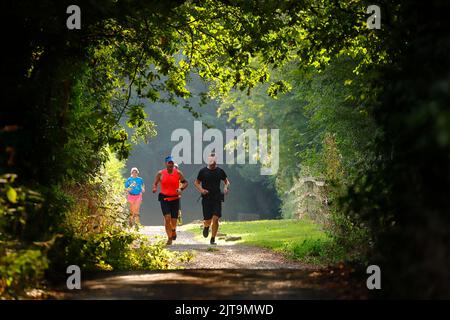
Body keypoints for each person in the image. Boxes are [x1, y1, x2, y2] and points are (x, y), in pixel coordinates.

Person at [194, 152, 230, 245]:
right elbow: (196, 183)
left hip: (217, 197)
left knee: (216, 218)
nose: (212, 162)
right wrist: (201, 190)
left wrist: (226, 187)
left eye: (213, 160)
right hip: (206, 198)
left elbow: (227, 182)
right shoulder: (203, 171)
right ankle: (206, 227)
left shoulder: (220, 171)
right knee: (208, 220)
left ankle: (213, 238)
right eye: (210, 160)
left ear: (216, 160)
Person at [152, 156, 188, 245]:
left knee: (174, 221)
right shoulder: (160, 173)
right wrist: (154, 188)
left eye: (172, 163)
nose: (171, 164)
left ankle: (173, 230)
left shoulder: (178, 173)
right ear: (166, 164)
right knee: (167, 218)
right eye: (169, 163)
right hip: (164, 198)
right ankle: (169, 238)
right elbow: (155, 183)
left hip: (175, 198)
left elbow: (185, 182)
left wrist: (181, 189)